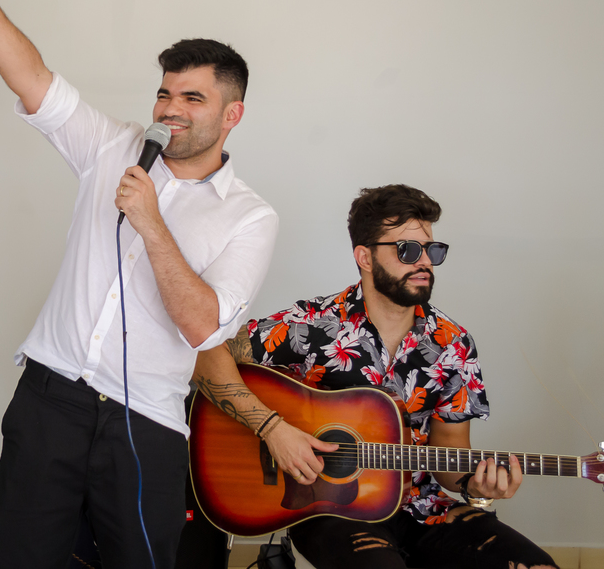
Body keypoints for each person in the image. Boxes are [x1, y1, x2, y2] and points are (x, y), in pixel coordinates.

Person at [0, 0, 278, 569]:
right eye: (165, 94)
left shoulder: (249, 216)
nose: (171, 110)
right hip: (51, 399)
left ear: (232, 114)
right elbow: (34, 80)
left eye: (193, 99)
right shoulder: (114, 146)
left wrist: (151, 223)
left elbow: (202, 326)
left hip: (146, 423)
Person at [193, 184, 557, 569]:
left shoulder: (453, 344)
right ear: (365, 257)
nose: (425, 263)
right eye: (408, 250)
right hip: (330, 509)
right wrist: (273, 429)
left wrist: (474, 484)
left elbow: (450, 452)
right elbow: (205, 351)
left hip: (425, 509)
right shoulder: (312, 325)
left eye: (432, 251)